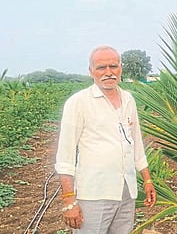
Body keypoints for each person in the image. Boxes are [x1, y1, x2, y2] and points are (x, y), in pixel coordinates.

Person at [55, 45, 156, 233]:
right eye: (101, 67)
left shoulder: (128, 99)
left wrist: (147, 180)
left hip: (126, 190)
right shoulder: (79, 102)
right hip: (95, 192)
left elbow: (136, 143)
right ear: (91, 71)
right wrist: (69, 200)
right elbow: (65, 156)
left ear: (120, 68)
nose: (108, 72)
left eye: (113, 66)